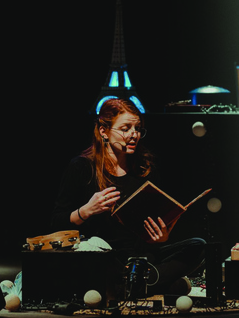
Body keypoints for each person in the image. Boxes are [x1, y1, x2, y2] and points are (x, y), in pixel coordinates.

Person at [51, 98, 206, 296]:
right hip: (105, 256)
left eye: (138, 129)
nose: (134, 135)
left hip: (142, 258)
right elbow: (56, 223)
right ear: (103, 131)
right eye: (125, 129)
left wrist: (161, 237)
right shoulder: (82, 168)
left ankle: (133, 286)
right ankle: (155, 285)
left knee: (198, 246)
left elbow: (152, 228)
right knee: (91, 251)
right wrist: (86, 211)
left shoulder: (144, 169)